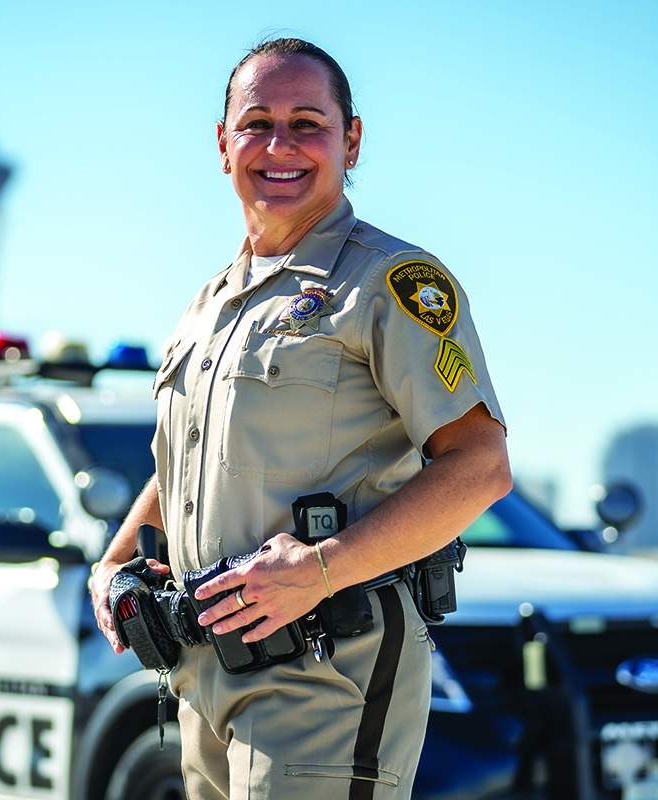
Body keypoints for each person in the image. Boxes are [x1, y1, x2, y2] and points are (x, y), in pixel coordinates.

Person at [90, 37, 511, 800]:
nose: (279, 146)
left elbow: (480, 466)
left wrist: (317, 570)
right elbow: (184, 464)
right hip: (204, 678)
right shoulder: (209, 304)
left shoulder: (390, 282)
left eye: (307, 123)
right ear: (223, 145)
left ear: (351, 141)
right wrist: (116, 557)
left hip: (327, 674)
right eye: (257, 123)